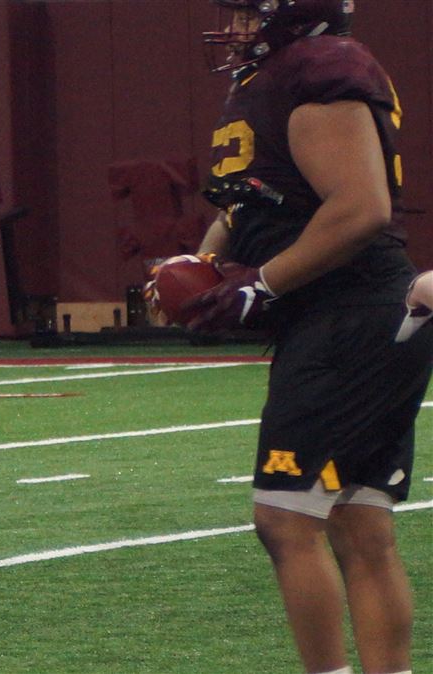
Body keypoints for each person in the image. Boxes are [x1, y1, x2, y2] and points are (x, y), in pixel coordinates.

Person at [182, 2, 433, 673]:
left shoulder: (324, 67)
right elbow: (250, 202)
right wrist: (199, 268)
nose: (233, 28)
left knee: (287, 522)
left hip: (348, 313)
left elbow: (360, 208)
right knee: (361, 527)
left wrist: (259, 285)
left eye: (245, 11)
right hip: (351, 315)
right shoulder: (273, 75)